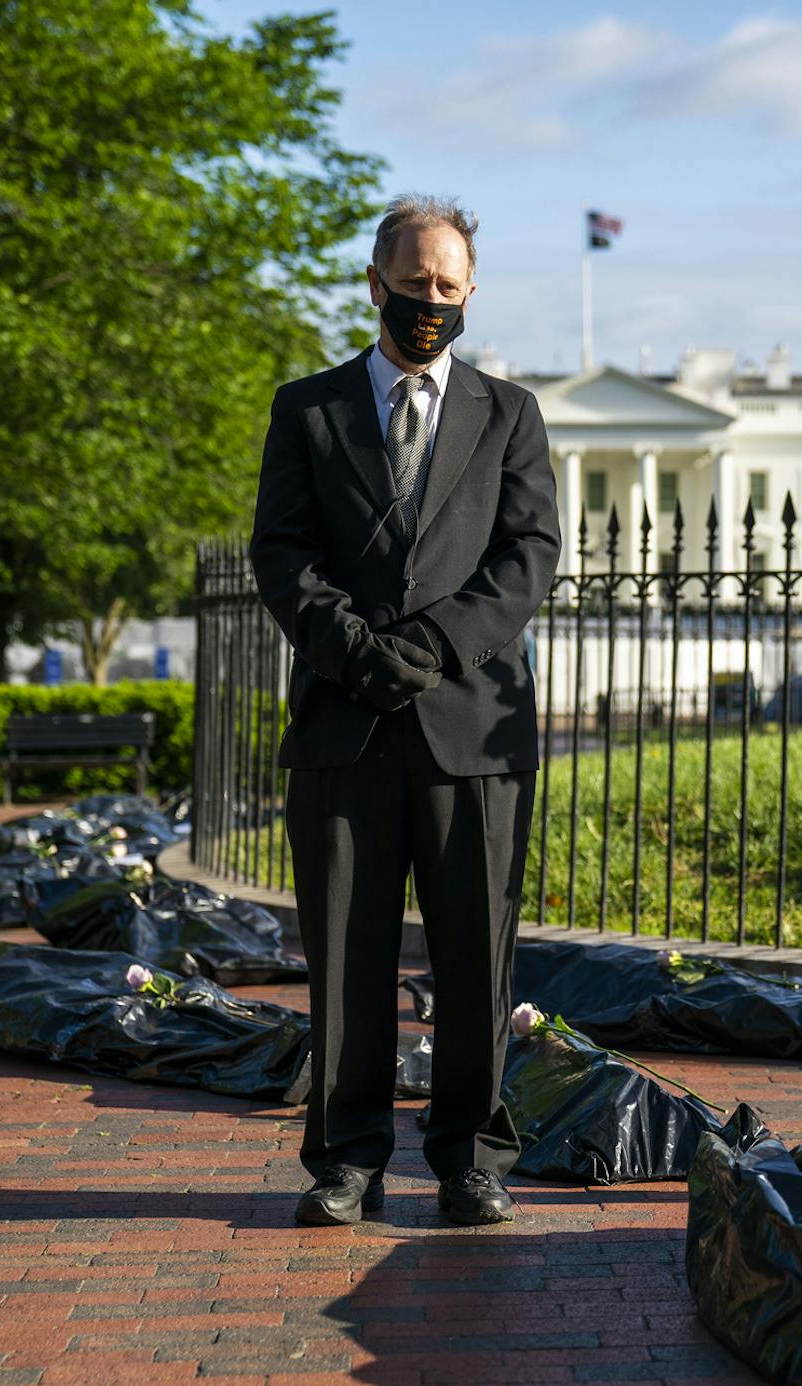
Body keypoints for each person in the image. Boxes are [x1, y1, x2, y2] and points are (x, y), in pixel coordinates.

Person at [248, 194, 561, 1227]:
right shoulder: (309, 408)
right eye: (414, 282)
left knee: (476, 954)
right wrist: (354, 652)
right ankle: (346, 1158)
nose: (432, 299)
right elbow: (282, 553)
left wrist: (426, 649)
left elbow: (529, 555)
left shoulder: (509, 413)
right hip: (345, 719)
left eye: (449, 285)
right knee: (345, 952)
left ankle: (471, 1156)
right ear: (374, 282)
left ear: (470, 290)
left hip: (473, 725)